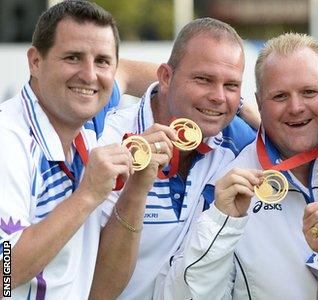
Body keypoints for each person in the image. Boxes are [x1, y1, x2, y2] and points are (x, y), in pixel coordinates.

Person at [153, 32, 318, 300]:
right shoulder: (223, 184)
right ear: (259, 103)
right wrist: (221, 222)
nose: (296, 107)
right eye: (280, 96)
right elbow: (181, 296)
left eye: (309, 92)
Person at [0, 1, 172, 299]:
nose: (90, 75)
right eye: (73, 57)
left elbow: (101, 291)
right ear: (35, 62)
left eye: (103, 61)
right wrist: (89, 194)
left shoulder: (89, 129)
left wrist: (136, 190)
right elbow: (4, 273)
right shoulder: (8, 140)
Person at [92, 17, 257, 299]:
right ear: (166, 77)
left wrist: (252, 115)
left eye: (231, 85)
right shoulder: (106, 140)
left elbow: (295, 140)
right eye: (204, 79)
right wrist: (137, 187)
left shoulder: (239, 141)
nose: (218, 97)